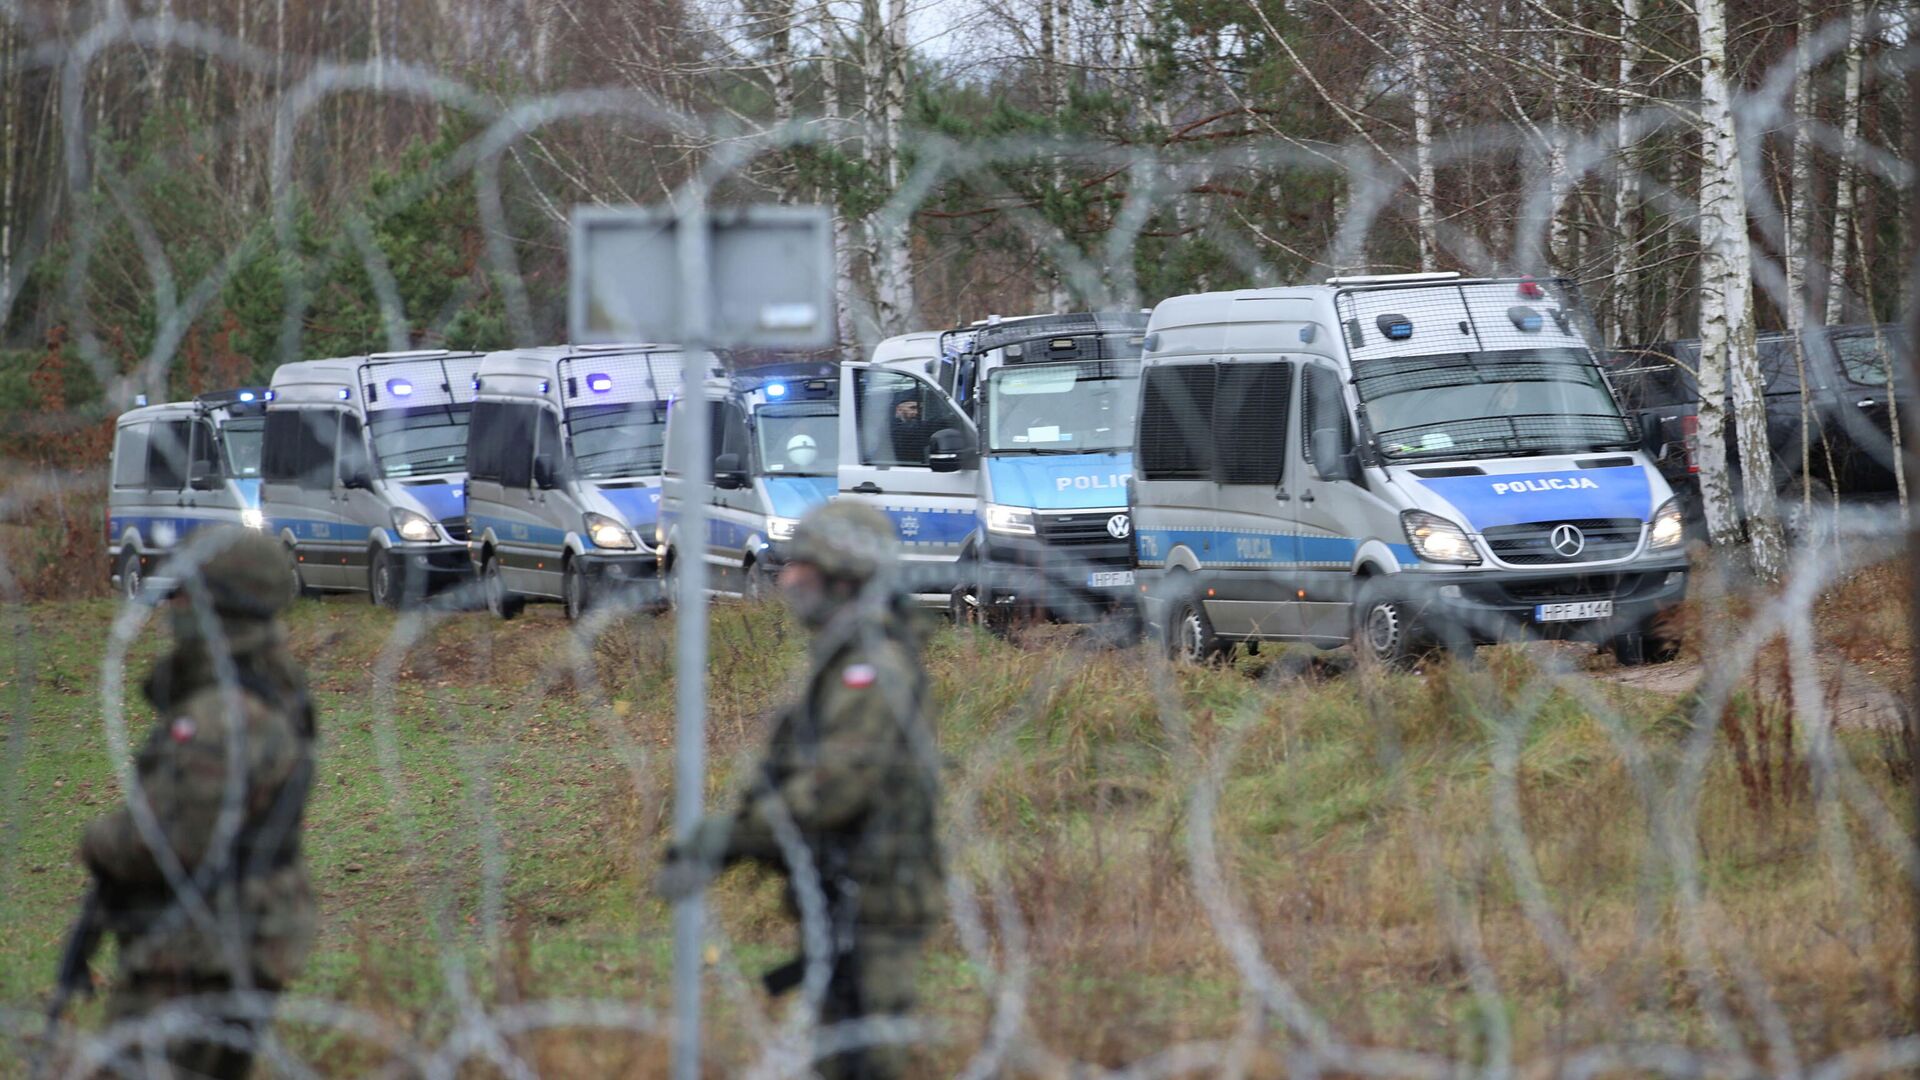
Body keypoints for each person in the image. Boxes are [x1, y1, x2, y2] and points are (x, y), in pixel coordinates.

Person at [657, 501, 944, 1080]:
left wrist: (730, 837)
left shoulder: (871, 665)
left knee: (864, 1061)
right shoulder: (844, 657)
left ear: (840, 573)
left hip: (876, 895)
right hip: (849, 891)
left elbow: (837, 786)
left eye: (800, 566)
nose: (786, 580)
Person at [78, 526, 316, 1079]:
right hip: (231, 936)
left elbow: (176, 838)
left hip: (202, 948)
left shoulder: (222, 715)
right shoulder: (266, 685)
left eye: (184, 594)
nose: (171, 609)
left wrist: (100, 842)